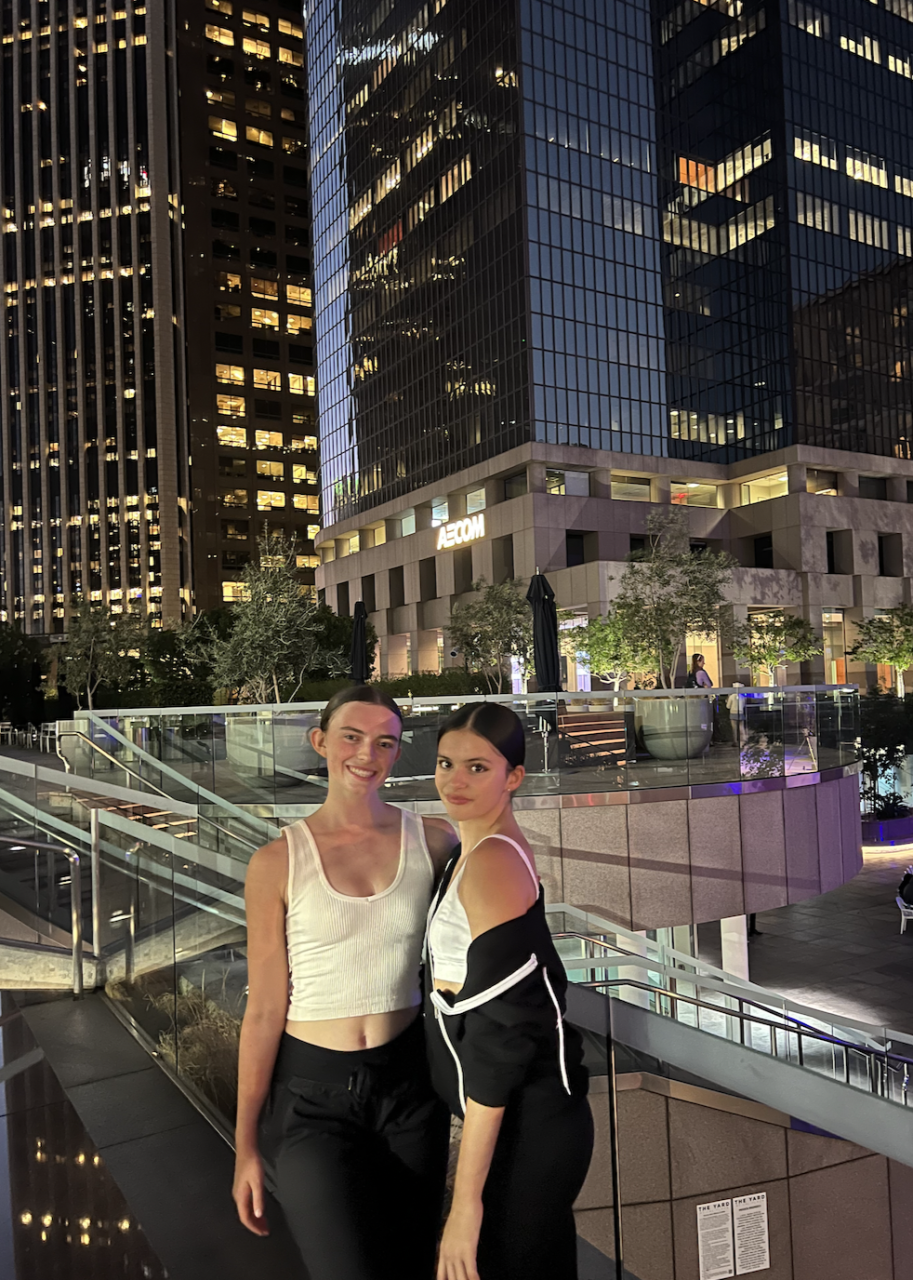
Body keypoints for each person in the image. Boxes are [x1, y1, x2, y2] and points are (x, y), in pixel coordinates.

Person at [232, 685, 458, 1280]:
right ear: (320, 741)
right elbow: (264, 1010)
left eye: (384, 742)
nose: (367, 754)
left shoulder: (435, 842)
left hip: (411, 1087)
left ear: (398, 752)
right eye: (352, 737)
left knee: (412, 1265)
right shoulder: (276, 862)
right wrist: (246, 1144)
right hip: (313, 1097)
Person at [425, 702, 593, 1280]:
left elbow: (500, 1042)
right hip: (516, 1120)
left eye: (478, 767)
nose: (455, 780)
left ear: (514, 777)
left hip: (528, 1124)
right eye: (446, 763)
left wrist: (465, 1204)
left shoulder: (492, 863)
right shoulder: (468, 852)